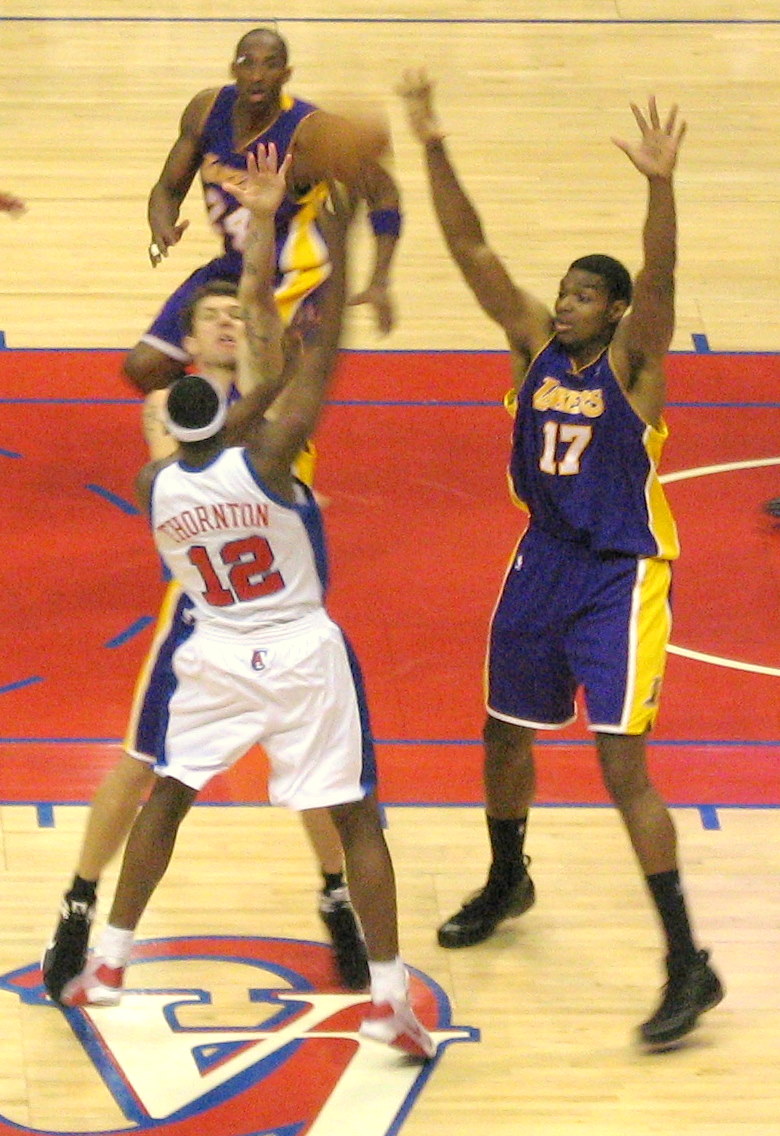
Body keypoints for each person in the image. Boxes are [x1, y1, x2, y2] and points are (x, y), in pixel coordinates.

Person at [57, 143, 435, 1060]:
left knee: (171, 793)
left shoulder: (156, 484)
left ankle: (108, 958)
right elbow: (304, 380)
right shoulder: (267, 456)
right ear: (225, 409)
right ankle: (386, 997)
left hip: (213, 646)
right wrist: (339, 252)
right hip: (297, 647)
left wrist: (264, 229)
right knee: (356, 814)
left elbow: (227, 409)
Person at [398, 69, 723, 1048]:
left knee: (624, 764)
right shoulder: (529, 349)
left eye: (587, 294)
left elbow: (660, 280)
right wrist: (433, 145)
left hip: (622, 573)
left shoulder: (635, 366)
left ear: (617, 311)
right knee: (502, 733)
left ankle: (687, 961)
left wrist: (660, 186)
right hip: (542, 557)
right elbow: (470, 248)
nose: (567, 303)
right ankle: (509, 874)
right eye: (566, 292)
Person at [42, 282, 368, 1002]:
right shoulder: (172, 406)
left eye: (235, 316)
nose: (225, 324)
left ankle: (336, 895)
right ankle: (78, 904)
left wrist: (261, 236)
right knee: (140, 766)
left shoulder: (274, 400)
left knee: (315, 774)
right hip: (203, 619)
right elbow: (187, 466)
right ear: (185, 344)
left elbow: (263, 328)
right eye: (207, 318)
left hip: (285, 613)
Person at [124, 24, 401, 395]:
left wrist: (380, 279)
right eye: (247, 63)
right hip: (235, 265)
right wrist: (161, 226)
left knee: (258, 396)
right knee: (146, 367)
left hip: (296, 278)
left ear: (285, 75)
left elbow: (384, 192)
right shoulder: (206, 111)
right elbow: (168, 188)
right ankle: (207, 423)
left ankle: (239, 436)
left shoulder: (311, 131)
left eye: (270, 65)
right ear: (232, 68)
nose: (257, 75)